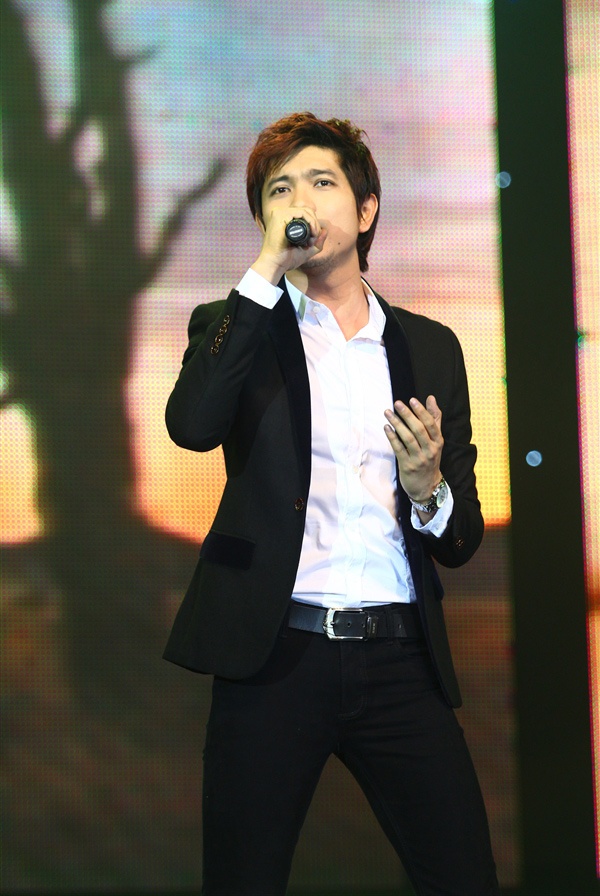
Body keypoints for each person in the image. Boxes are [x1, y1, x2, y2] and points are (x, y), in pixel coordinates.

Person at [164, 112, 500, 896]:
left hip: (399, 657)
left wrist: (428, 490)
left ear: (367, 208)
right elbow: (191, 426)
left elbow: (461, 538)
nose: (300, 200)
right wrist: (264, 272)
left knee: (462, 876)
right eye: (279, 190)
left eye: (321, 182)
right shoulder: (236, 329)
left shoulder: (430, 347)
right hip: (276, 656)